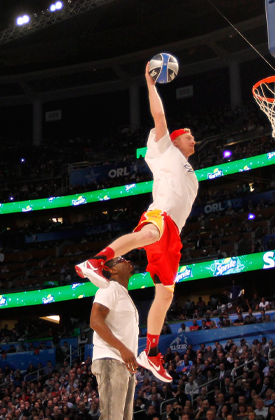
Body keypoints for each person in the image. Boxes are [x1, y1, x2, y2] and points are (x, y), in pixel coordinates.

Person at [74, 63, 198, 384]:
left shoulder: (190, 172)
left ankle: (152, 352)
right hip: (161, 216)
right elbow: (159, 117)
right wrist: (150, 83)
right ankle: (97, 260)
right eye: (189, 136)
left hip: (175, 234)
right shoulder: (164, 149)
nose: (193, 140)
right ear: (174, 139)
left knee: (166, 294)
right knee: (148, 233)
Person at [82, 257, 138, 420]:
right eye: (121, 259)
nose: (128, 260)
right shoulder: (109, 288)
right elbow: (95, 321)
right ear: (112, 270)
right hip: (110, 359)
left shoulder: (124, 294)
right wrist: (123, 349)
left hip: (124, 364)